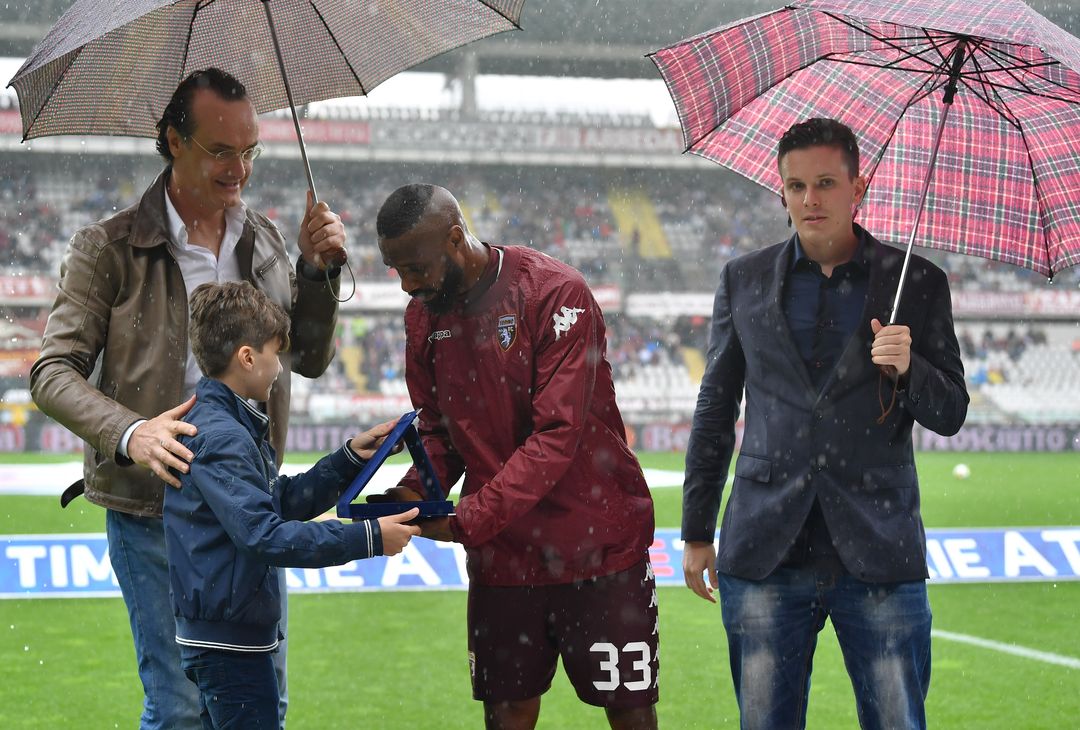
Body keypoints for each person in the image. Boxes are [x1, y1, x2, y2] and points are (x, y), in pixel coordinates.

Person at [29, 67, 347, 729]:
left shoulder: (268, 241)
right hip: (152, 509)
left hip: (248, 504)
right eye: (221, 151)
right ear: (174, 141)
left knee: (260, 704)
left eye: (250, 150)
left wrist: (318, 274)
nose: (240, 169)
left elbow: (310, 360)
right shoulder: (108, 247)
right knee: (178, 709)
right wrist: (132, 433)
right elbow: (52, 373)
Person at [682, 118, 969, 730]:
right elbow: (715, 408)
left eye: (826, 183)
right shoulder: (742, 279)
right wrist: (697, 530)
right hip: (764, 547)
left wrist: (910, 367)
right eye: (796, 186)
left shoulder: (918, 282)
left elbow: (951, 413)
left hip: (880, 545)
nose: (810, 199)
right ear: (782, 192)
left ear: (858, 188)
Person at [372, 184, 659, 730]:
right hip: (503, 558)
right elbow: (438, 431)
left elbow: (556, 436)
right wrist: (413, 492)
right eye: (396, 270)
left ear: (455, 238)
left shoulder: (556, 294)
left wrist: (466, 520)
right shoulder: (423, 318)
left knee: (630, 712)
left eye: (415, 268)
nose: (407, 284)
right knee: (507, 715)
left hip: (596, 548)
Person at [165, 281, 420, 728]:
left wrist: (348, 459)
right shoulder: (223, 435)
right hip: (231, 646)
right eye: (275, 353)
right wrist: (369, 538)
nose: (280, 367)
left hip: (224, 638)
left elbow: (274, 501)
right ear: (247, 357)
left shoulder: (226, 423)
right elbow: (264, 534)